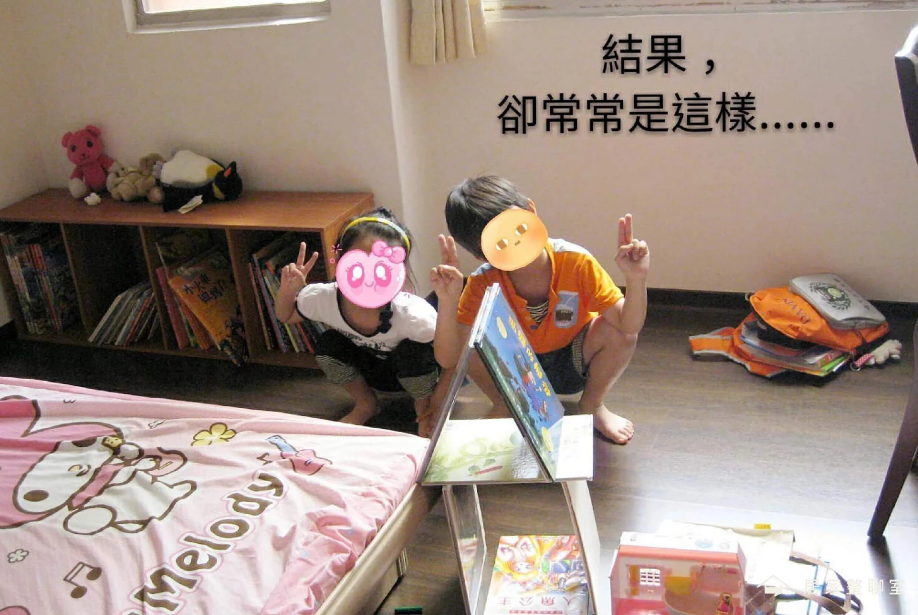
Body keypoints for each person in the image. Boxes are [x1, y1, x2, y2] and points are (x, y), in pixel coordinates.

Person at [429, 176, 649, 444]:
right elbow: (450, 360)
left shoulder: (575, 261)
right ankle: (506, 405)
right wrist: (448, 301)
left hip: (573, 360)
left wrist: (635, 279)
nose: (515, 243)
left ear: (531, 210)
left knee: (618, 332)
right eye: (499, 243)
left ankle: (592, 405)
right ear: (481, 255)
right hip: (516, 375)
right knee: (471, 344)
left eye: (518, 228)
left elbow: (629, 326)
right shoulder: (482, 283)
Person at [275, 207, 446, 436]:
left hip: (413, 377)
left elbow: (449, 358)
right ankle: (366, 404)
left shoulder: (413, 314)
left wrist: (436, 403)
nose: (369, 278)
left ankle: (422, 411)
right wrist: (287, 291)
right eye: (359, 265)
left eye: (381, 268)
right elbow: (286, 316)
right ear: (341, 261)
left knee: (413, 353)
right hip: (372, 374)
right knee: (328, 345)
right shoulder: (324, 298)